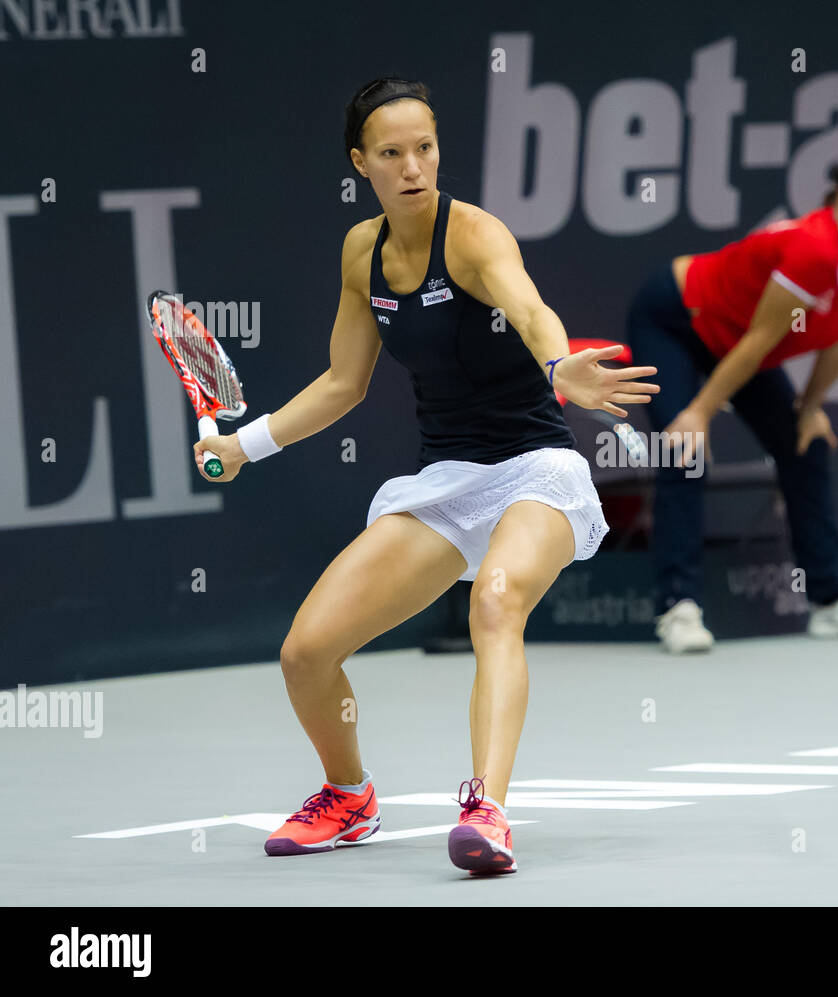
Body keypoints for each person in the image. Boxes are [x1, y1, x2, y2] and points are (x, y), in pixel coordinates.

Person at [192, 76, 658, 874]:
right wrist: (247, 445)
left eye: (426, 148)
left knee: (497, 599)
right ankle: (348, 796)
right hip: (445, 483)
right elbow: (344, 383)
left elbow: (532, 308)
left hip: (535, 469)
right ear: (359, 163)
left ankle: (488, 809)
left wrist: (558, 365)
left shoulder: (474, 235)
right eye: (391, 153)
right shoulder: (360, 251)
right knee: (306, 651)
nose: (414, 167)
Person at [626, 152, 838, 654]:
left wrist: (810, 406)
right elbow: (759, 341)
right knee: (683, 450)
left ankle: (830, 602)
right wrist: (699, 412)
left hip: (735, 344)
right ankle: (679, 609)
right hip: (673, 317)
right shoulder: (815, 250)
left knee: (806, 444)